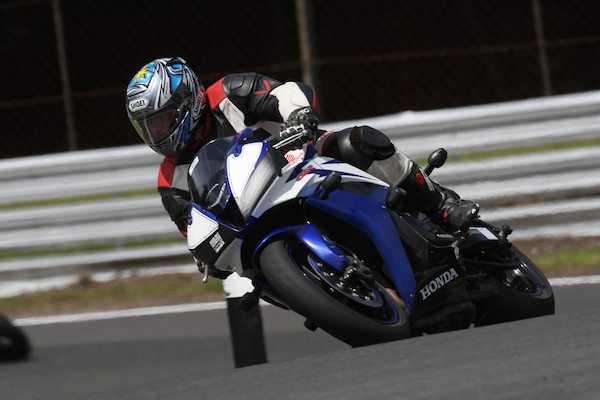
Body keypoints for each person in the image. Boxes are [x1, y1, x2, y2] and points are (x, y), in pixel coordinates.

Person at [125, 57, 479, 252]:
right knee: (249, 271)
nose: (157, 133)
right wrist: (208, 254)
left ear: (187, 101)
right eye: (148, 127)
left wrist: (299, 115)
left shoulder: (230, 92)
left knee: (356, 141)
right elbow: (193, 230)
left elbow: (285, 92)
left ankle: (441, 204)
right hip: (255, 218)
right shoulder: (170, 180)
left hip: (305, 161)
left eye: (162, 120)